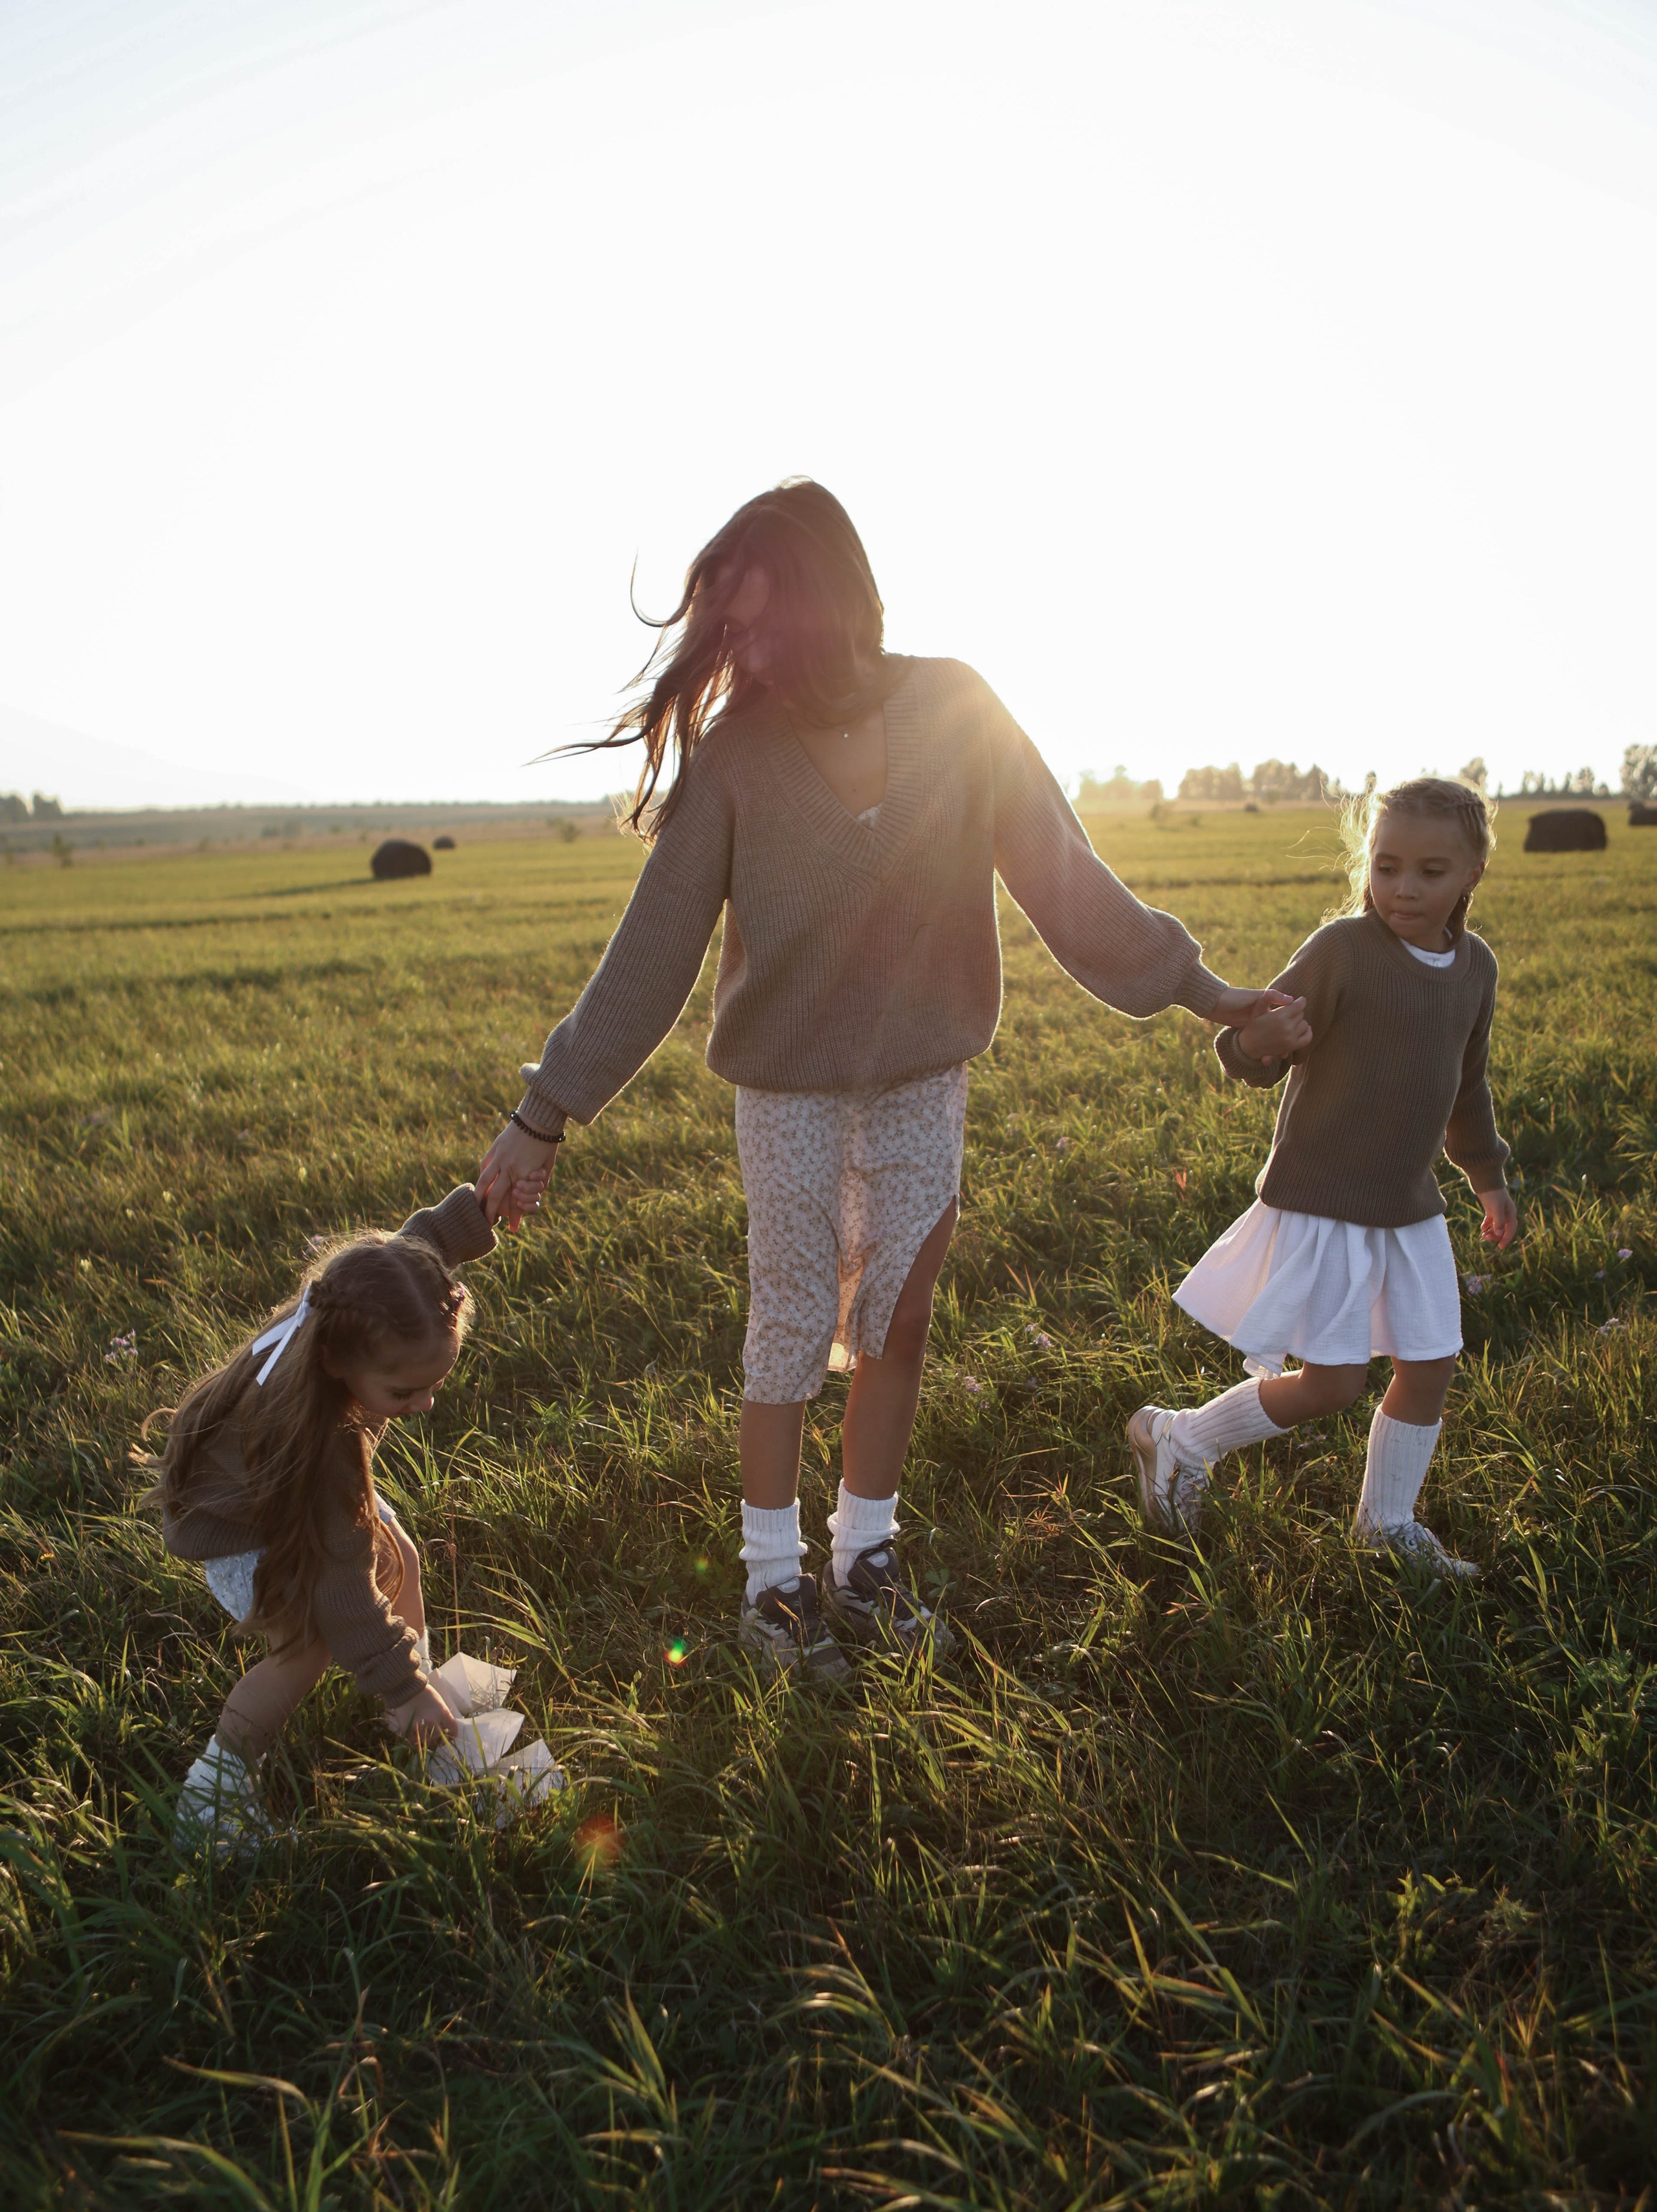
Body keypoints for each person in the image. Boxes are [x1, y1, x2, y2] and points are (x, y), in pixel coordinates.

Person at [480, 479, 1290, 1675]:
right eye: (723, 630)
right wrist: (542, 1113)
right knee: (795, 1321)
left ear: (834, 603)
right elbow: (650, 955)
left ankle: (864, 1563)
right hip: (788, 1088)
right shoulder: (738, 757)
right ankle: (769, 1586)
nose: (737, 650)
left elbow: (1068, 881)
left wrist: (1204, 990)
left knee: (898, 1317)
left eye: (759, 623)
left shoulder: (957, 706)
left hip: (925, 1077)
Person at [1128, 776, 1519, 1576]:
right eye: (1386, 865)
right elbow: (1250, 1048)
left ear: (1474, 871)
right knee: (1332, 1384)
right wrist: (1259, 1044)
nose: (1402, 888)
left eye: (1429, 871)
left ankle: (1384, 1525)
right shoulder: (1342, 949)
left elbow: (1466, 1082)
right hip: (1326, 1201)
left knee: (1432, 1363)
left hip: (1410, 1208)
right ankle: (1181, 1438)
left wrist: (1486, 1175)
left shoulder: (1474, 967)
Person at [150, 1188, 496, 1853]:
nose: (423, 1404)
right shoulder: (322, 1442)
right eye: (403, 1392)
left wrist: (481, 1211)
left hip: (278, 1494)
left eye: (436, 1384)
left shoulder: (349, 1305)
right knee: (306, 1647)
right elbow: (344, 1587)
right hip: (247, 1529)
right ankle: (213, 1795)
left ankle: (422, 1712)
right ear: (339, 1364)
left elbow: (410, 1251)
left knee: (404, 1559)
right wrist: (395, 1685)